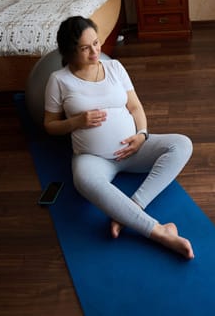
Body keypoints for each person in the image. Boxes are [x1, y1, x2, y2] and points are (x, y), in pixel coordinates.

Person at [43, 16, 194, 259]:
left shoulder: (114, 67)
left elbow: (135, 107)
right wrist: (76, 122)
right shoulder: (59, 80)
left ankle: (133, 207)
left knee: (182, 144)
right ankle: (160, 232)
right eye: (85, 48)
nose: (95, 51)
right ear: (71, 51)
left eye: (96, 42)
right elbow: (49, 125)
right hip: (93, 158)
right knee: (84, 181)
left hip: (134, 149)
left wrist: (142, 135)